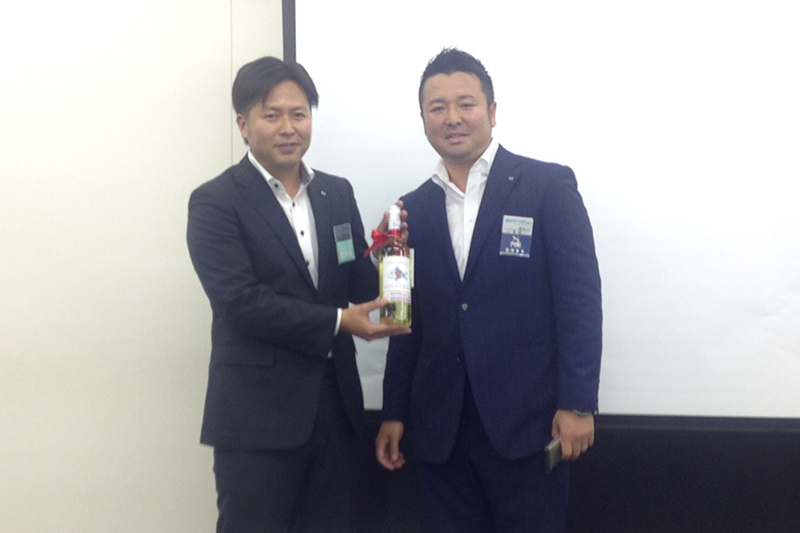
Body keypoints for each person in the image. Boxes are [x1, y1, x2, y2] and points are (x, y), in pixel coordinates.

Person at [375, 48, 603, 532]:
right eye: (438, 107)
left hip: (528, 425)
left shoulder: (546, 186)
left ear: (492, 112)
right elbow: (408, 323)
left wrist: (578, 403)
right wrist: (393, 411)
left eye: (466, 104)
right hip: (441, 431)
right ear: (423, 119)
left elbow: (580, 302)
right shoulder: (412, 209)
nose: (452, 118)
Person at [187, 56, 410, 533]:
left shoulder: (335, 193)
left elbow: (354, 284)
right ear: (244, 125)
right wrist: (339, 322)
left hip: (336, 409)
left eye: (299, 113)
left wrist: (386, 253)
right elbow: (240, 303)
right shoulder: (216, 201)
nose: (288, 127)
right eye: (272, 115)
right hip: (257, 417)